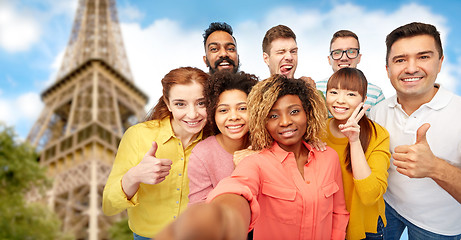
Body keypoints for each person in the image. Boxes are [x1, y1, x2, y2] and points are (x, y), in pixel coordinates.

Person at [157, 75, 349, 240]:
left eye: (294, 111)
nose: (285, 121)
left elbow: (338, 213)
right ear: (262, 121)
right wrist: (219, 219)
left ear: (309, 113)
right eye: (273, 116)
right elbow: (237, 189)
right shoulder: (256, 161)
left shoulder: (329, 157)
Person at [369, 22, 461, 239]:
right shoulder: (377, 111)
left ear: (440, 62)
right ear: (388, 69)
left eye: (423, 57)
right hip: (387, 208)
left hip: (438, 228)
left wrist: (436, 168)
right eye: (400, 60)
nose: (411, 68)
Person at [102, 67, 209, 240]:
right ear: (167, 103)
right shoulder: (138, 136)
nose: (192, 114)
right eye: (180, 104)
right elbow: (109, 206)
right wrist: (134, 176)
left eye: (201, 103)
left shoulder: (216, 141)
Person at [323, 67, 390, 239]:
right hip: (326, 224)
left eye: (351, 94)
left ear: (364, 99)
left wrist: (354, 141)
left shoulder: (378, 134)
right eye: (334, 92)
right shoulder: (316, 131)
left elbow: (370, 196)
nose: (340, 100)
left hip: (364, 227)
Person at [188, 71, 258, 204]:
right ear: (213, 115)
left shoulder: (266, 144)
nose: (233, 116)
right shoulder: (202, 155)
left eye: (242, 108)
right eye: (223, 110)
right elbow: (200, 211)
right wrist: (239, 173)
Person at [316, 30, 385, 113]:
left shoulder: (376, 93)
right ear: (329, 59)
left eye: (351, 51)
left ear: (359, 57)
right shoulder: (315, 89)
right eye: (337, 52)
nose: (344, 58)